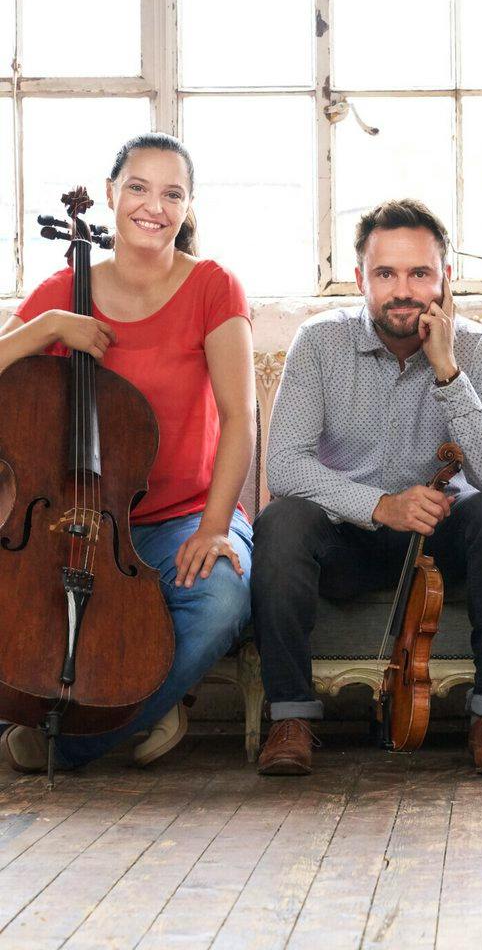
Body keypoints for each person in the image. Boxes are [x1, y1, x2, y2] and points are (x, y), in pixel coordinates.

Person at [250, 198, 482, 777]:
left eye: (419, 273)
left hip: (441, 544)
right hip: (345, 541)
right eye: (386, 274)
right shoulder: (319, 343)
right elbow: (284, 465)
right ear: (361, 280)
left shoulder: (479, 350)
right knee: (280, 523)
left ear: (444, 279)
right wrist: (380, 506)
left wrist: (447, 368)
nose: (403, 290)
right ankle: (290, 718)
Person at [0, 132, 255, 772]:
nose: (153, 206)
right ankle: (138, 708)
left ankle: (78, 740)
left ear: (188, 207)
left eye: (172, 193)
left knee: (221, 598)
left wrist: (215, 527)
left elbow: (238, 420)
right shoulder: (66, 289)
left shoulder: (214, 287)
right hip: (65, 515)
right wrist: (49, 327)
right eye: (138, 187)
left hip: (180, 518)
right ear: (111, 194)